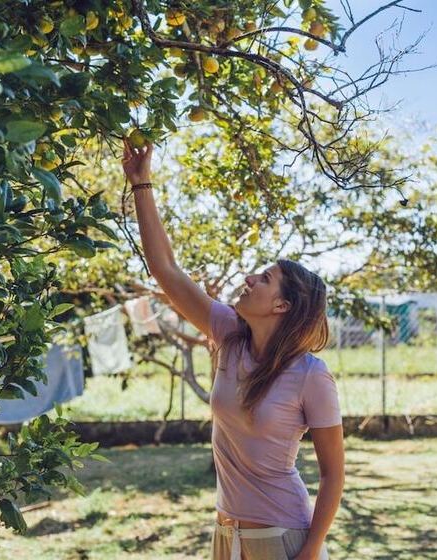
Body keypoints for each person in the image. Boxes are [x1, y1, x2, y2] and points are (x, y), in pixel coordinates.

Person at [122, 139, 344, 560]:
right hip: (224, 535)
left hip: (283, 538)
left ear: (282, 305)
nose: (248, 278)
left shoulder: (311, 375)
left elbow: (333, 474)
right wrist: (141, 184)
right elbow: (166, 270)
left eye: (263, 278)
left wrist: (312, 549)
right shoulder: (229, 334)